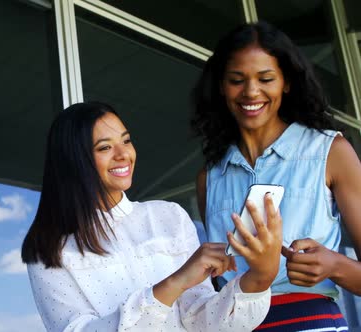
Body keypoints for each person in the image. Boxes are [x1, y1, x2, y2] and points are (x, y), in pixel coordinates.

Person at [22, 101, 282, 331]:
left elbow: (203, 322)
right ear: (74, 160)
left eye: (126, 140)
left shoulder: (169, 217)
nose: (124, 154)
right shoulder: (48, 252)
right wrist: (176, 282)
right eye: (104, 147)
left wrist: (259, 277)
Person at [192, 21, 361, 331]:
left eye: (266, 78)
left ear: (286, 82)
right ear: (220, 85)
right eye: (236, 80)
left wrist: (336, 265)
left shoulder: (331, 151)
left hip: (309, 320)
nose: (251, 91)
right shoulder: (210, 175)